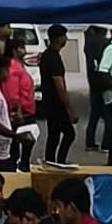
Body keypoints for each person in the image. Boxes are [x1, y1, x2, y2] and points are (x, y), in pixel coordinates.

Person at [38, 29, 76, 165]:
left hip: (49, 102)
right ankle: (60, 161)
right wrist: (69, 108)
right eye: (64, 36)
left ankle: (50, 160)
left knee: (54, 134)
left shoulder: (48, 55)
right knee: (69, 133)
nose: (66, 39)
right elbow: (59, 85)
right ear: (58, 38)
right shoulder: (53, 57)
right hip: (56, 103)